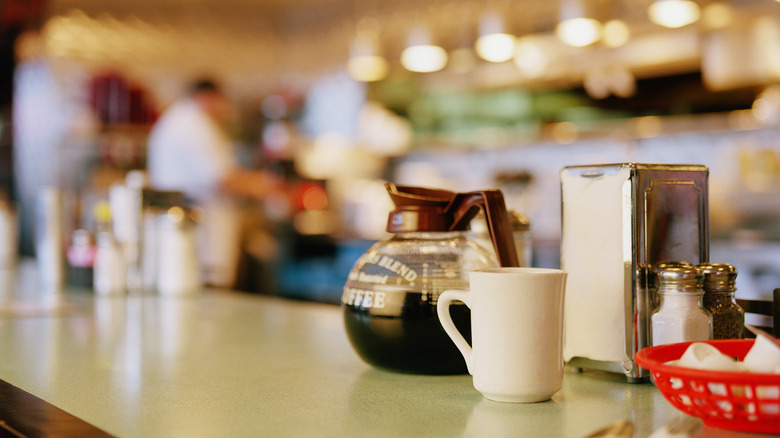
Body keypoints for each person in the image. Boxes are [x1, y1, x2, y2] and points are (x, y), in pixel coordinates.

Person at [147, 79, 279, 289]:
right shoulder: (194, 124)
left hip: (186, 225)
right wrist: (266, 187)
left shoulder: (179, 119)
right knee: (206, 292)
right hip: (201, 229)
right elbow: (220, 177)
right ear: (208, 97)